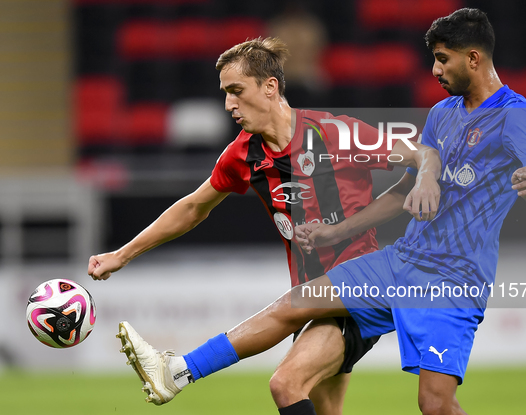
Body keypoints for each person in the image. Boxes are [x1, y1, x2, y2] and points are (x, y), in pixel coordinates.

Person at [109, 9, 526, 414]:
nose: (435, 69)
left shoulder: (515, 116)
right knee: (293, 331)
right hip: (400, 260)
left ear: (474, 58)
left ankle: (178, 372)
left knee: (433, 404)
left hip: (452, 278)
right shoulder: (443, 113)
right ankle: (179, 371)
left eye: (443, 59)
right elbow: (406, 186)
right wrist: (338, 229)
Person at [88, 37, 441, 415]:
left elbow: (424, 153)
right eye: (225, 94)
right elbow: (192, 208)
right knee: (317, 402)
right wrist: (122, 254)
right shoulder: (242, 154)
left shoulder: (334, 133)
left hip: (363, 283)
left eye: (237, 91)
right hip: (320, 300)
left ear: (270, 87)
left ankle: (178, 371)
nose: (228, 105)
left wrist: (424, 179)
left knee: (284, 382)